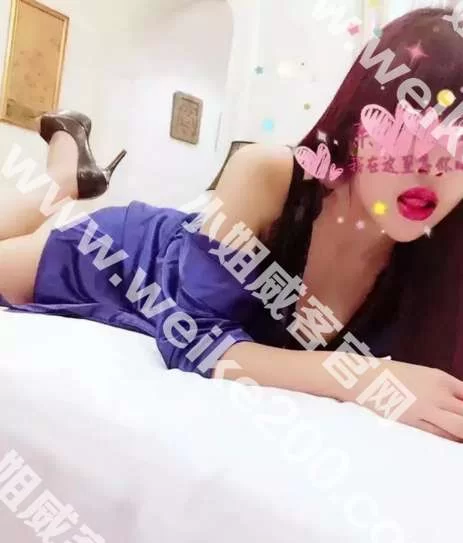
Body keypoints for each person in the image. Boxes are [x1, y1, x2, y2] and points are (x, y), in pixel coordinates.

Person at [2, 7, 463, 441]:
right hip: (128, 259)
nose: (436, 168)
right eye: (415, 132)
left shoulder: (442, 254)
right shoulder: (269, 173)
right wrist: (364, 378)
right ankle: (65, 175)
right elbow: (194, 340)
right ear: (361, 119)